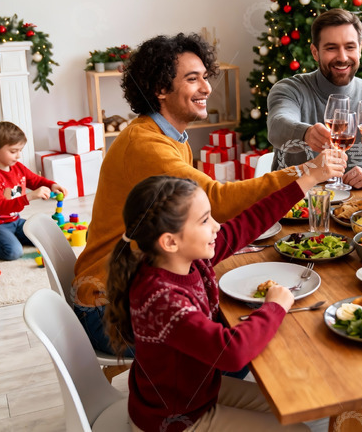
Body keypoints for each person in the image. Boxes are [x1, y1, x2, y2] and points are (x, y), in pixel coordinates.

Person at [73, 33, 324, 356]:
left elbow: (207, 213)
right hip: (108, 308)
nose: (206, 88)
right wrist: (307, 172)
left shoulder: (169, 135)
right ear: (160, 88)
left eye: (205, 77)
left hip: (134, 284)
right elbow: (217, 200)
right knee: (259, 342)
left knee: (253, 324)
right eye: (193, 79)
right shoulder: (146, 145)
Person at [104, 161, 343, 431]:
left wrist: (310, 178)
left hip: (197, 393)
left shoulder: (187, 259)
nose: (217, 226)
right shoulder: (162, 299)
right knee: (298, 430)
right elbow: (232, 352)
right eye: (205, 220)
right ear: (170, 241)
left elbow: (247, 223)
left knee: (291, 404)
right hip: (175, 420)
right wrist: (274, 307)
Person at [267, 8, 362, 188]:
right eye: (331, 48)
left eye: (350, 47)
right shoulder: (289, 89)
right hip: (297, 208)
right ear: (315, 52)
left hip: (355, 211)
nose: (342, 57)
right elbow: (277, 126)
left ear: (360, 49)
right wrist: (306, 134)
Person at [0, 122, 67, 259]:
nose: (18, 156)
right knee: (13, 252)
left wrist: (52, 185)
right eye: (13, 151)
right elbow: (0, 207)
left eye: (20, 150)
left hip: (14, 221)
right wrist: (30, 196)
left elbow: (35, 180)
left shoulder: (18, 167)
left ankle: (13, 237)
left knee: (45, 238)